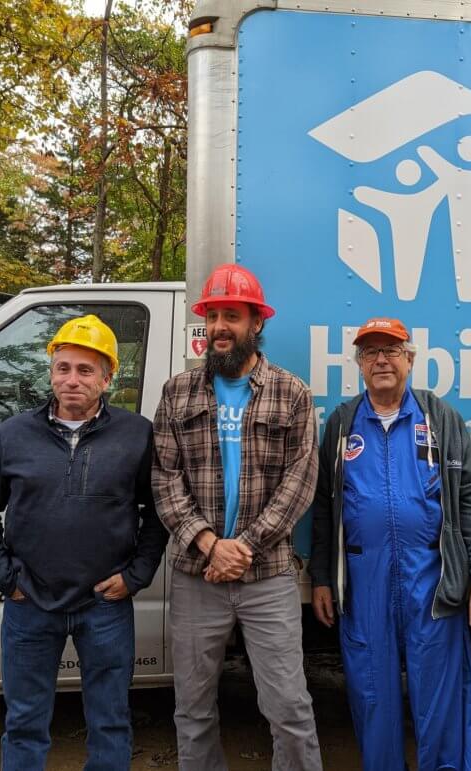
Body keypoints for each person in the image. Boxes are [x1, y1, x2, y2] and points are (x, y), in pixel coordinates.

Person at [0, 314, 168, 771]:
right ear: (51, 372)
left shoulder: (137, 435)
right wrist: (5, 576)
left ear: (108, 377)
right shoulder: (12, 435)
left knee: (111, 721)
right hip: (30, 602)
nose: (72, 379)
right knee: (25, 722)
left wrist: (135, 576)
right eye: (63, 368)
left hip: (105, 605)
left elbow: (158, 511)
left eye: (85, 370)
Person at [152, 263, 322, 771]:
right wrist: (209, 543)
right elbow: (164, 479)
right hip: (196, 575)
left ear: (256, 324)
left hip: (266, 576)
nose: (221, 326)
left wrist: (242, 546)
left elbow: (300, 482)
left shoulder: (291, 393)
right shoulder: (177, 392)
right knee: (193, 708)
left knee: (289, 707)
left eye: (233, 315)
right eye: (213, 316)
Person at [310, 317, 471, 771]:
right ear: (358, 364)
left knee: (442, 700)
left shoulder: (440, 418)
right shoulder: (341, 423)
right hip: (364, 583)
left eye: (391, 350)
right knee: (372, 698)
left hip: (433, 583)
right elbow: (323, 507)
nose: (381, 360)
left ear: (410, 359)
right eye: (370, 352)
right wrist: (321, 577)